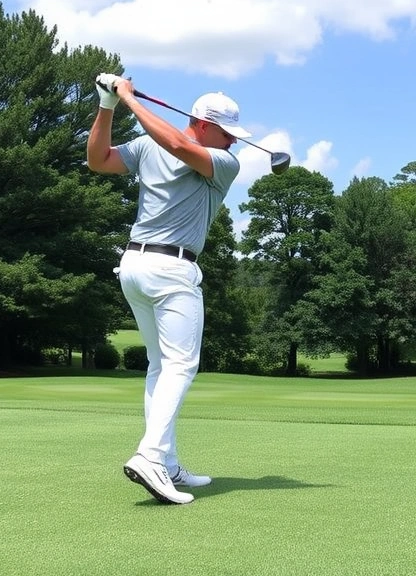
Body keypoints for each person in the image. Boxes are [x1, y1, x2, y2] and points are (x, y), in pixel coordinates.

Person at [87, 73, 249, 504]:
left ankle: (169, 462)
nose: (233, 142)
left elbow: (177, 146)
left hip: (135, 267)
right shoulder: (152, 144)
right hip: (170, 269)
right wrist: (108, 105)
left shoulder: (221, 163)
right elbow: (98, 160)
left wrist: (121, 101)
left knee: (161, 367)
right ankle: (151, 456)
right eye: (227, 132)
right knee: (181, 365)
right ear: (202, 122)